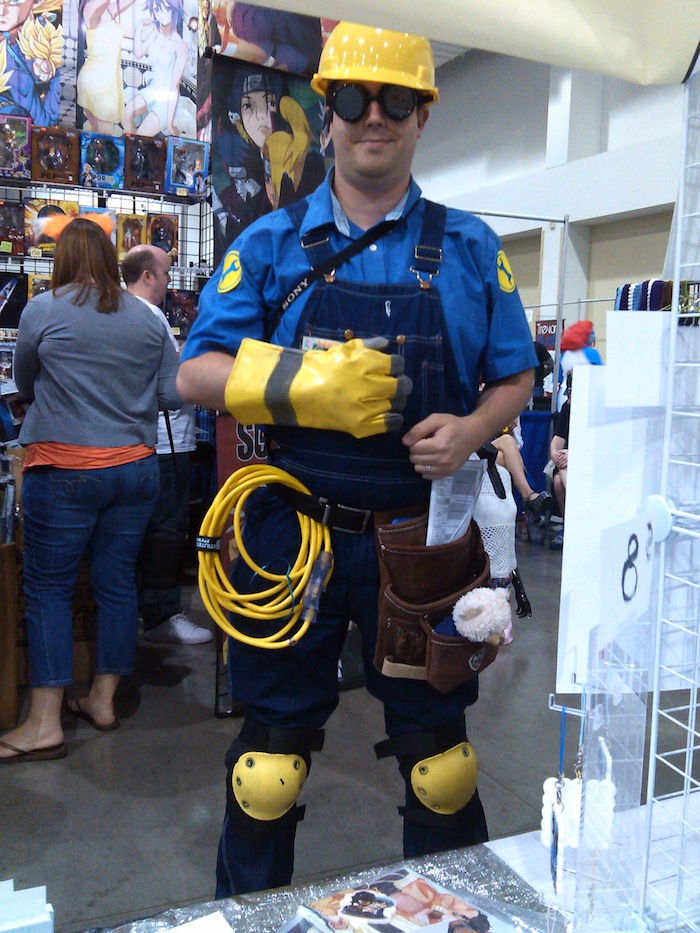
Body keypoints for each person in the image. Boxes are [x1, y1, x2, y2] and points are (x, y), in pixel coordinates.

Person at [176, 22, 537, 896]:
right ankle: (252, 914)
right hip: (291, 537)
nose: (373, 117)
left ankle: (451, 908)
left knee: (441, 765)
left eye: (396, 101)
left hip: (422, 540)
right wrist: (304, 386)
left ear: (424, 115)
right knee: (268, 769)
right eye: (352, 98)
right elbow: (195, 372)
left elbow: (516, 374)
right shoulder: (269, 243)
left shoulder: (471, 247)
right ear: (327, 113)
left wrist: (473, 428)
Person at [0, 217, 182, 763]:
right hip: (136, 469)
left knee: (48, 590)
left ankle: (44, 723)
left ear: (60, 260)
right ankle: (102, 700)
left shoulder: (42, 309)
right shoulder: (149, 318)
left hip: (64, 469)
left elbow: (25, 381)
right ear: (111, 259)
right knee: (118, 583)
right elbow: (172, 395)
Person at [121, 244, 212, 645]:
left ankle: (147, 613)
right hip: (164, 442)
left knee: (151, 531)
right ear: (147, 275)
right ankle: (161, 616)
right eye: (166, 272)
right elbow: (172, 388)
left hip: (147, 440)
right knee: (166, 530)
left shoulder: (122, 311)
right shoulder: (150, 316)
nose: (171, 280)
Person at [123, 0, 188, 137]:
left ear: (174, 10)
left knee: (140, 137)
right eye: (157, 10)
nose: (161, 14)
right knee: (125, 115)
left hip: (167, 102)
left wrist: (169, 123)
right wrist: (138, 30)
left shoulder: (180, 46)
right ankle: (135, 146)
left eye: (166, 8)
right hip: (153, 91)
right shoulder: (155, 33)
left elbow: (174, 85)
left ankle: (136, 145)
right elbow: (138, 54)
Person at [76, 0, 138, 134]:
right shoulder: (90, 7)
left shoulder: (106, 10)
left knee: (97, 135)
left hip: (101, 82)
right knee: (104, 139)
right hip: (99, 83)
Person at [556, 319, 601, 410]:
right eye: (591, 333)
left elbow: (558, 379)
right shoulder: (592, 353)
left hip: (564, 395)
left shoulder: (564, 354)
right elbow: (600, 377)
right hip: (586, 394)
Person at [549, 377, 571, 550]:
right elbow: (558, 439)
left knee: (558, 481)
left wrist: (573, 454)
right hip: (565, 462)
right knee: (558, 481)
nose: (569, 397)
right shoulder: (567, 408)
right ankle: (570, 524)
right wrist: (555, 454)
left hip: (583, 461)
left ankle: (570, 525)